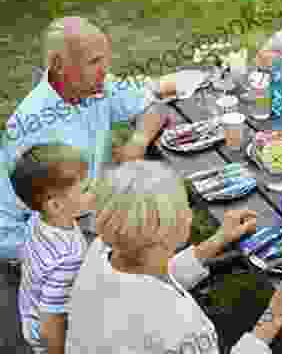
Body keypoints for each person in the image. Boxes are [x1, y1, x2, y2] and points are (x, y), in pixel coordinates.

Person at [65, 160, 282, 354]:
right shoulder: (180, 325)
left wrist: (218, 240)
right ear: (166, 232)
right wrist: (274, 318)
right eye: (184, 206)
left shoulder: (104, 248)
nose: (190, 213)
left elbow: (153, 273)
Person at [0, 16, 178, 261]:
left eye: (105, 59)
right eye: (94, 61)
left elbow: (154, 107)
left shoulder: (93, 86)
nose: (104, 70)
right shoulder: (34, 127)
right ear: (58, 65)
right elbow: (52, 213)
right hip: (39, 234)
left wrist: (137, 142)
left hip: (79, 206)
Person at [10, 143, 96, 354]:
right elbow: (52, 321)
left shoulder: (37, 220)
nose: (94, 192)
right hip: (50, 334)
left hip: (30, 308)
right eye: (85, 190)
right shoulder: (68, 258)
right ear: (56, 206)